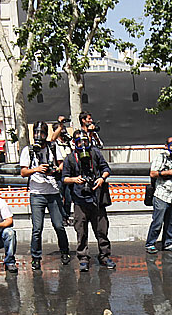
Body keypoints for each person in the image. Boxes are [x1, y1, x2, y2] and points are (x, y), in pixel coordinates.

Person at [19, 121, 71, 270]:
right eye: (36, 133)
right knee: (37, 228)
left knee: (59, 226)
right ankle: (36, 257)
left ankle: (65, 252)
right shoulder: (27, 150)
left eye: (42, 133)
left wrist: (54, 170)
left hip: (53, 192)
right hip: (37, 194)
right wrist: (37, 169)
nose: (39, 136)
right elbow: (23, 172)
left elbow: (62, 165)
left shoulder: (52, 147)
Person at [62, 130, 115, 271]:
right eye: (80, 142)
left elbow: (106, 168)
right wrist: (75, 179)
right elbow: (64, 178)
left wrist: (101, 178)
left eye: (85, 141)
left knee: (102, 230)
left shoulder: (95, 153)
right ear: (75, 143)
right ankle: (83, 258)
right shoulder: (70, 158)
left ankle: (104, 256)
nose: (83, 144)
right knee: (81, 231)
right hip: (80, 200)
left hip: (96, 198)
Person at [146, 136, 172, 254]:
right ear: (166, 146)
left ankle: (168, 243)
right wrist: (168, 172)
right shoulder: (161, 156)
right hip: (161, 193)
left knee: (171, 221)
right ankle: (150, 243)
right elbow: (152, 173)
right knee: (158, 221)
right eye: (171, 145)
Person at [52, 115, 73, 217]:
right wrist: (60, 125)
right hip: (59, 175)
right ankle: (62, 217)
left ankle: (67, 215)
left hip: (68, 174)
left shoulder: (68, 143)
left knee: (68, 198)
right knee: (60, 197)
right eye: (61, 129)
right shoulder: (55, 144)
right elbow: (52, 138)